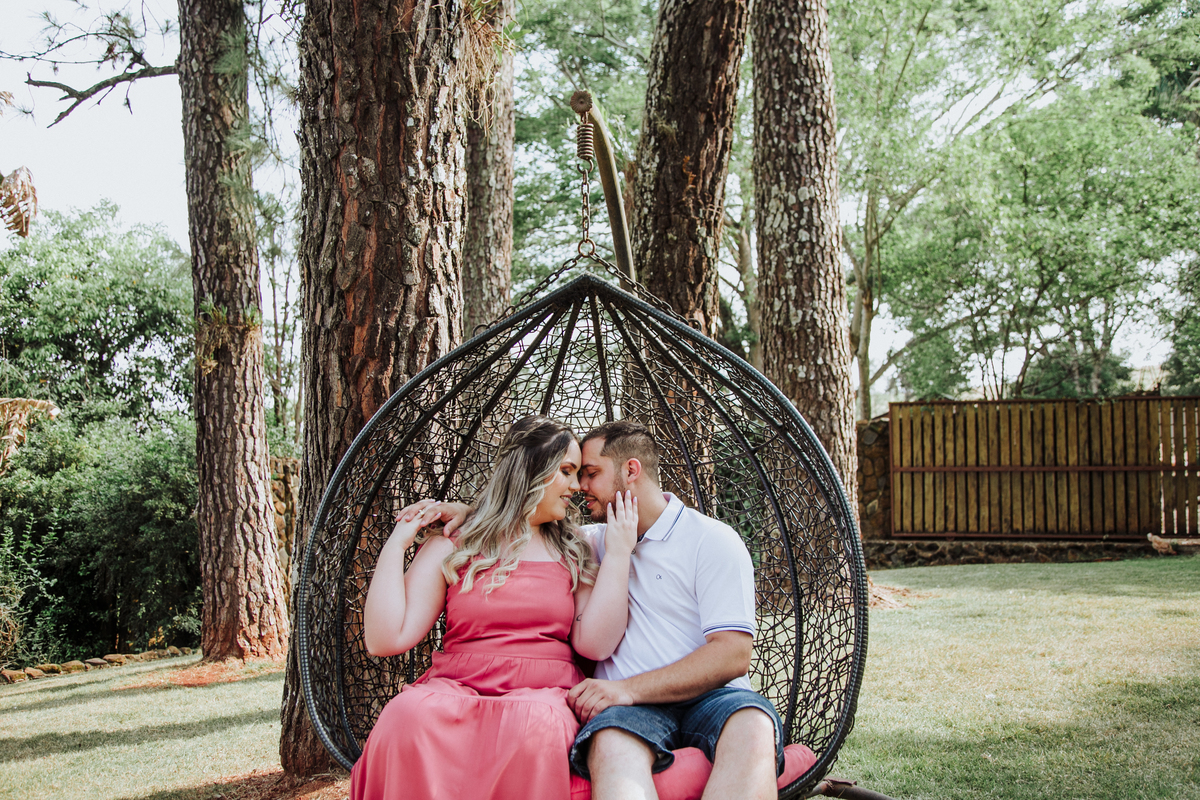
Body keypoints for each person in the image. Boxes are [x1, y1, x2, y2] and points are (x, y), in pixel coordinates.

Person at [427, 419, 795, 800]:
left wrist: (626, 690)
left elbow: (732, 654)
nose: (580, 486)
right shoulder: (588, 543)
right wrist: (470, 512)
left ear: (631, 470)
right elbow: (522, 518)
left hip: (713, 698)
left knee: (754, 726)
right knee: (610, 745)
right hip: (629, 714)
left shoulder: (712, 540)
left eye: (591, 473)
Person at [350, 415, 638, 800]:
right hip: (456, 687)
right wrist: (396, 543)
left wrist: (618, 554)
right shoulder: (455, 543)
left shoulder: (575, 547)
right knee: (406, 716)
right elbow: (385, 639)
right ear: (530, 470)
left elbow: (596, 645)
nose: (575, 486)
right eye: (566, 471)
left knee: (535, 724)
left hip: (541, 695)